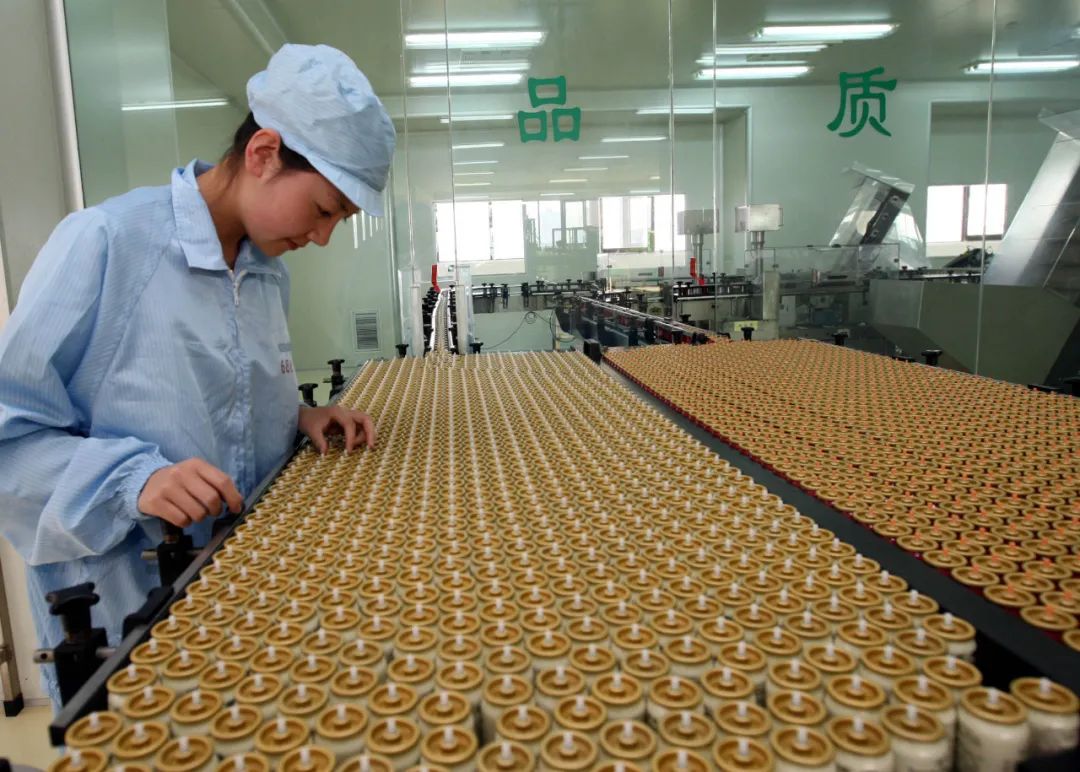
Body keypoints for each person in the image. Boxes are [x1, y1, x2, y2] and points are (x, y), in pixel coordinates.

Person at [0, 43, 395, 707]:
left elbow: (219, 404)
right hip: (129, 611)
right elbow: (11, 438)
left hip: (248, 598)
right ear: (264, 153)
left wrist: (295, 416)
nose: (323, 236)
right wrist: (134, 480)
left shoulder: (266, 273)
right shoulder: (107, 243)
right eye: (324, 210)